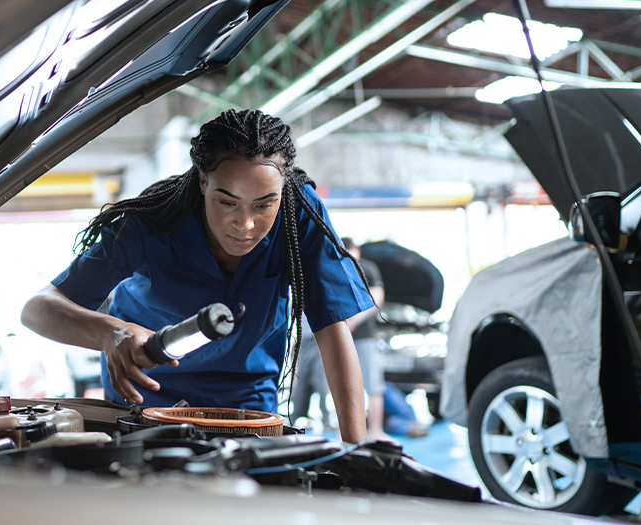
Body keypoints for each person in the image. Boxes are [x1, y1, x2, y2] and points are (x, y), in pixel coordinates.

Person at [21, 109, 374, 443]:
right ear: (204, 182)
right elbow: (37, 309)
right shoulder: (153, 222)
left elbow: (331, 329)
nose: (246, 223)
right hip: (146, 405)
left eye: (264, 204)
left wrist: (357, 450)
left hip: (247, 411)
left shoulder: (298, 213)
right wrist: (110, 333)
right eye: (227, 202)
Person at [340, 237, 389, 441]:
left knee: (372, 386)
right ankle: (346, 432)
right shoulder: (339, 267)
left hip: (363, 335)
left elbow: (377, 298)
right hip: (346, 336)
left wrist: (354, 321)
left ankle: (376, 431)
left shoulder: (367, 267)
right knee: (346, 386)